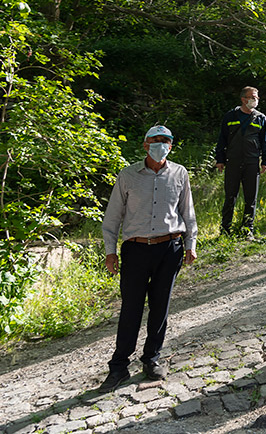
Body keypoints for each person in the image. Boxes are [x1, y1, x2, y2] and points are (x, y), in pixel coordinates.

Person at [99, 125, 198, 391]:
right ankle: (119, 366)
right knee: (131, 307)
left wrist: (191, 243)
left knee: (160, 306)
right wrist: (110, 251)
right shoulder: (128, 175)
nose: (161, 145)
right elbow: (112, 217)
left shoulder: (179, 173)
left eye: (166, 141)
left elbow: (187, 211)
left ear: (171, 146)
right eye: (156, 140)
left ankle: (152, 358)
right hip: (136, 249)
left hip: (169, 248)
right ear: (145, 145)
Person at [214, 86, 266, 238]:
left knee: (250, 198)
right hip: (232, 161)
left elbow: (265, 142)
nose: (255, 100)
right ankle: (225, 230)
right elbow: (222, 139)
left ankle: (247, 229)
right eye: (252, 97)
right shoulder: (230, 116)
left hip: (252, 162)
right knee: (230, 197)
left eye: (257, 97)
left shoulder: (260, 118)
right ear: (243, 99)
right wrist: (219, 159)